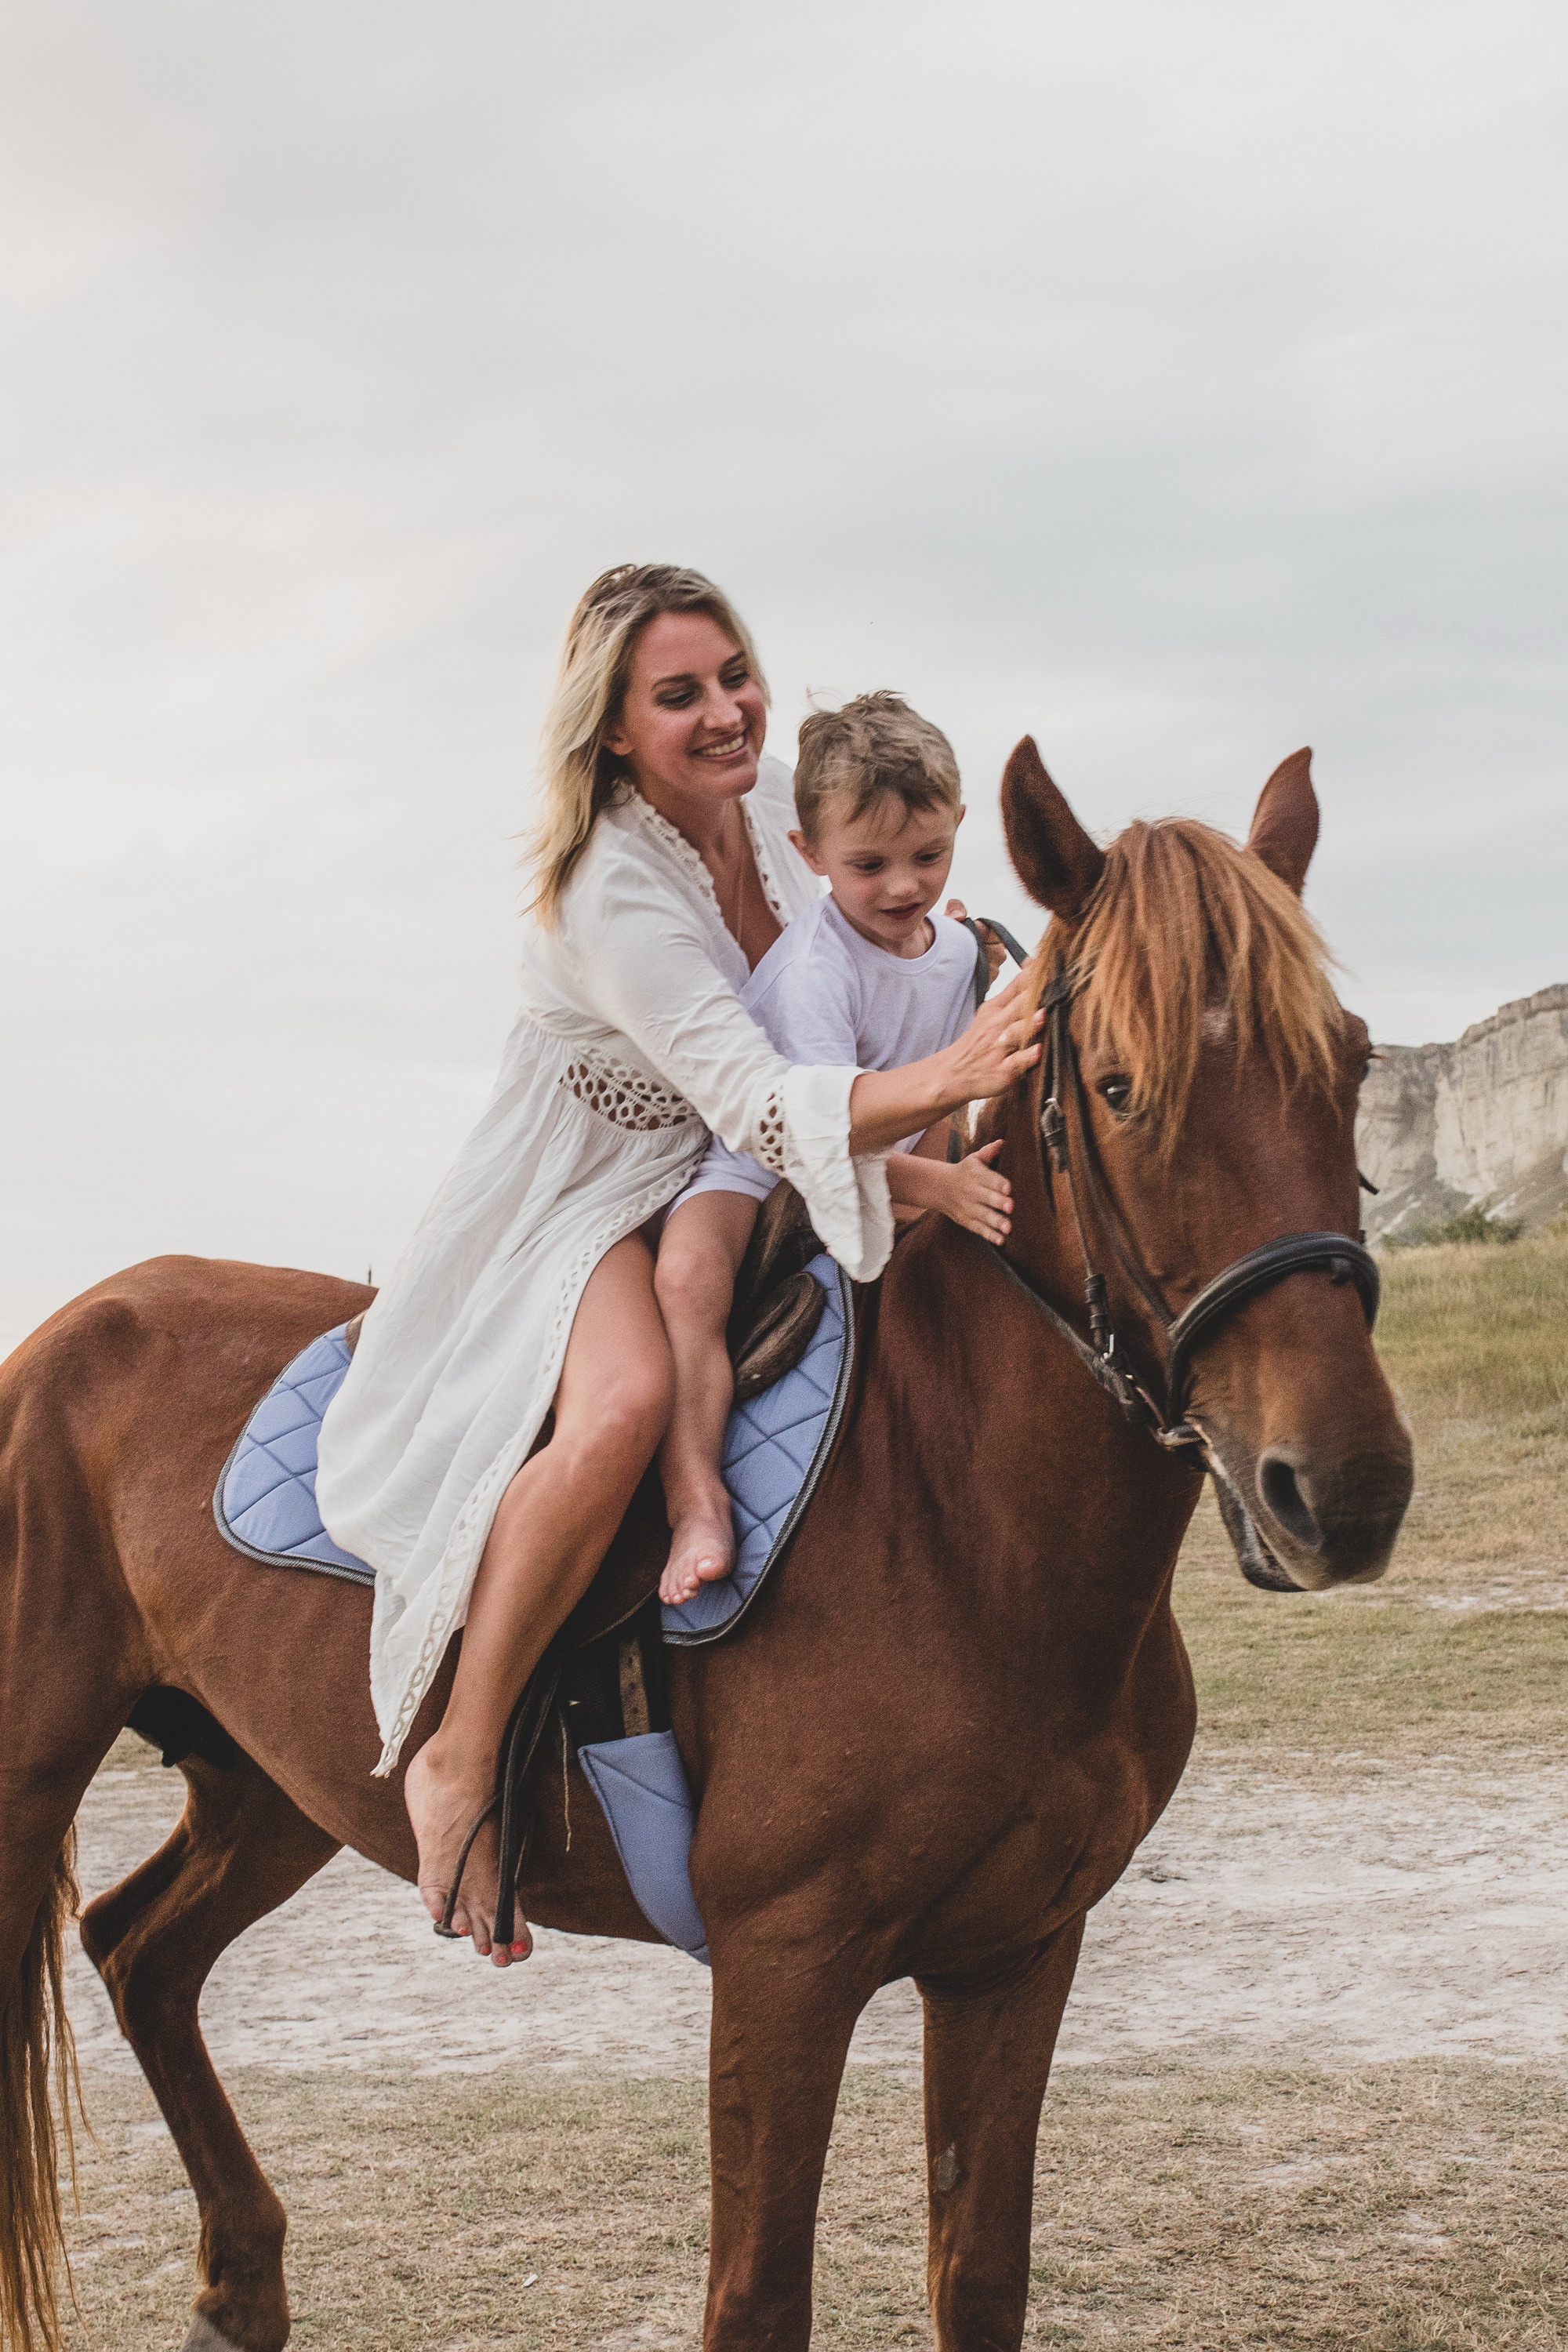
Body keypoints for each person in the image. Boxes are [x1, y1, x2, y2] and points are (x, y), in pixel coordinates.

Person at [315, 564, 1043, 1964]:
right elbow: (758, 1095)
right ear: (611, 727)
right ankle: (463, 1748)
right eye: (679, 694)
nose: (725, 712)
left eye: (734, 675)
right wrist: (951, 1074)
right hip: (596, 1181)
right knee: (623, 1406)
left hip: (761, 1153)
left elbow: (883, 919)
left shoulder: (779, 806)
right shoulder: (610, 888)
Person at [656, 691, 1016, 1606]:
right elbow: (812, 1137)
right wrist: (936, 1187)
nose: (901, 887)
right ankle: (694, 1494)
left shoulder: (957, 954)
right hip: (761, 1156)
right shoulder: (817, 972)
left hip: (889, 1152)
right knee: (689, 1280)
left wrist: (934, 1174)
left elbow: (938, 1083)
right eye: (868, 865)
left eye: (927, 856)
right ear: (809, 853)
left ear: (957, 825)